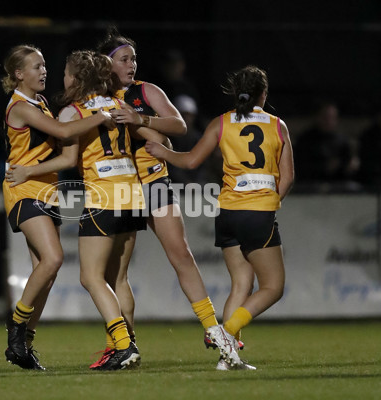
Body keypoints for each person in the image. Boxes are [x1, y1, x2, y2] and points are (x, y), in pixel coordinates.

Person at [93, 26, 229, 369]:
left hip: (153, 181)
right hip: (120, 188)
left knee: (181, 254)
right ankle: (123, 347)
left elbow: (180, 126)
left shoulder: (145, 91)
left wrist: (142, 119)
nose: (132, 64)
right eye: (124, 59)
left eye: (134, 58)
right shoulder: (96, 98)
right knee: (115, 275)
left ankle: (214, 329)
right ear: (105, 65)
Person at [145, 65, 294, 370]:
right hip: (258, 212)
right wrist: (268, 201)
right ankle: (224, 333)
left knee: (241, 283)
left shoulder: (221, 123)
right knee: (273, 288)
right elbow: (288, 178)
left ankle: (228, 360)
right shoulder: (277, 126)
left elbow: (189, 161)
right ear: (263, 94)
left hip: (227, 213)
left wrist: (163, 152)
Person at [0, 44, 113, 370]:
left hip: (46, 190)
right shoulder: (20, 107)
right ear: (18, 74)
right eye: (36, 66)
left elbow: (65, 156)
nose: (44, 71)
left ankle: (24, 345)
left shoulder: (43, 104)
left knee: (46, 273)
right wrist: (99, 116)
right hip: (23, 190)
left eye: (45, 65)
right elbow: (64, 131)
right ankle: (16, 325)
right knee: (53, 259)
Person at [55, 49, 151, 370]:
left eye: (67, 73)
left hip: (103, 196)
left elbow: (68, 159)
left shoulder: (74, 111)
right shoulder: (118, 105)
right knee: (118, 278)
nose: (64, 78)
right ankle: (125, 346)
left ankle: (123, 345)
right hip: (133, 192)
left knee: (91, 277)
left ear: (78, 78)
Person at [293, 101, 356, 190]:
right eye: (325, 117)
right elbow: (301, 167)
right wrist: (324, 167)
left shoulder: (342, 141)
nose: (329, 121)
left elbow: (347, 163)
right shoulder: (305, 140)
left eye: (332, 118)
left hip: (338, 183)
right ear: (317, 117)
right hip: (312, 184)